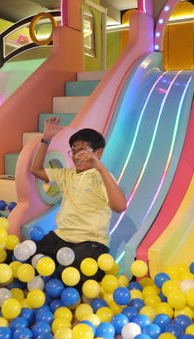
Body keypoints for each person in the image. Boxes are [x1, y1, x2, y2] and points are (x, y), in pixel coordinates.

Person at [30, 116, 127, 285]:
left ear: (98, 153)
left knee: (69, 275)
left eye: (82, 151)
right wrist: (46, 139)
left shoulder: (102, 177)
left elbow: (120, 206)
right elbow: (36, 170)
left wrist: (100, 167)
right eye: (74, 151)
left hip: (91, 243)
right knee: (23, 256)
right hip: (60, 238)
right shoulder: (66, 174)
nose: (76, 156)